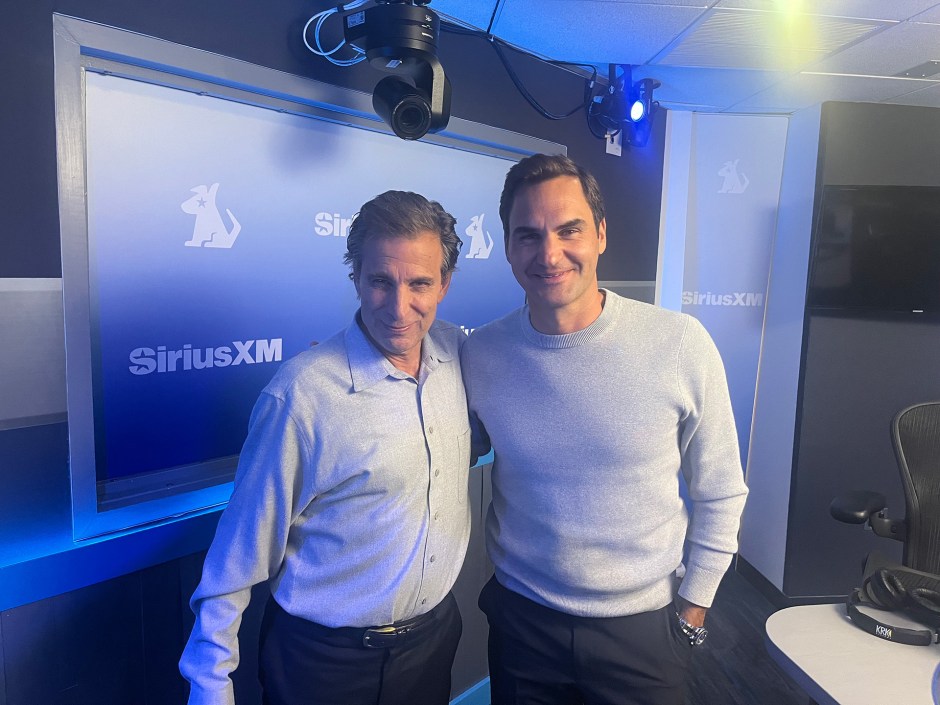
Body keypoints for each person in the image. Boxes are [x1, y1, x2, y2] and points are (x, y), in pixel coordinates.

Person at [460, 154, 749, 705]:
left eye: (569, 230)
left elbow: (721, 488)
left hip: (643, 629)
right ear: (507, 246)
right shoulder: (482, 353)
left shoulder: (679, 343)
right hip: (523, 624)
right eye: (528, 236)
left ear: (601, 235)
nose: (549, 254)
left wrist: (693, 609)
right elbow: (440, 443)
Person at [180, 191, 472, 705]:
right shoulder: (302, 395)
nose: (400, 307)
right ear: (356, 277)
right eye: (380, 281)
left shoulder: (460, 356)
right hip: (324, 667)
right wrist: (210, 687)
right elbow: (236, 557)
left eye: (420, 283)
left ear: (444, 284)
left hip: (432, 646)